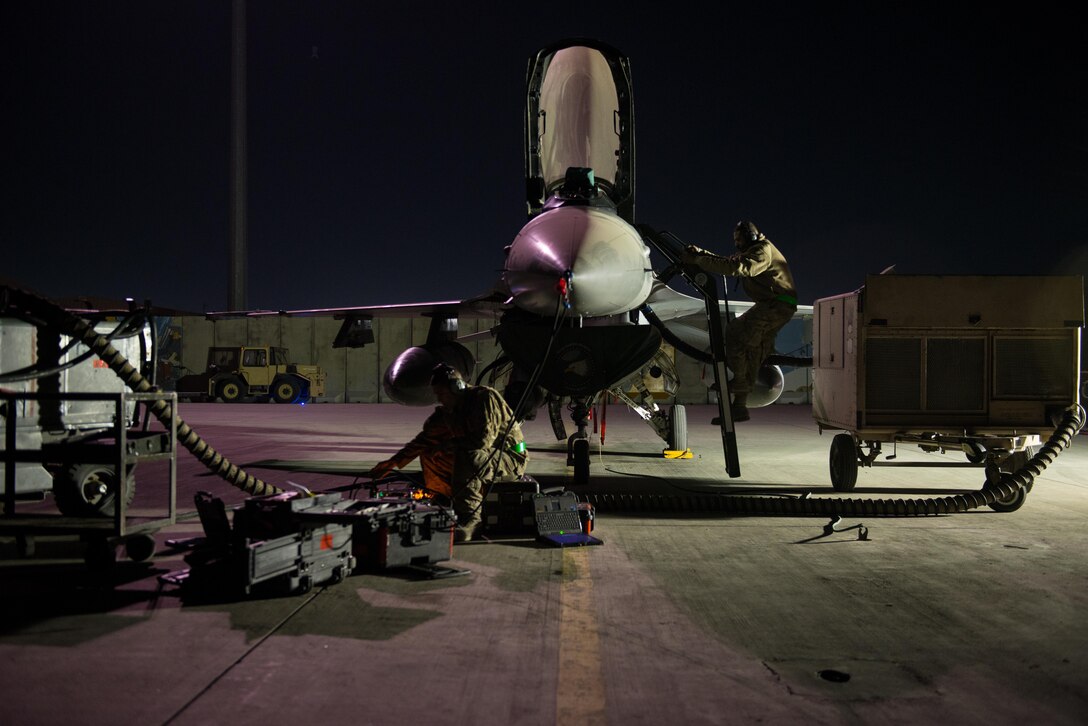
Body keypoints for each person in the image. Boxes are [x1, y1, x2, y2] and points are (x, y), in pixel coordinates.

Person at [367, 364, 528, 542]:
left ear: (456, 387)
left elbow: (483, 441)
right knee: (429, 453)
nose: (440, 399)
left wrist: (447, 445)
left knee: (468, 454)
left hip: (510, 458)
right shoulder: (449, 411)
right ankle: (444, 502)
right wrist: (393, 463)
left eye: (442, 393)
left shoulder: (484, 398)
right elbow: (423, 441)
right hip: (482, 457)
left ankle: (471, 520)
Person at [681, 220, 798, 422]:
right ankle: (739, 407)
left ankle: (739, 382)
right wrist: (701, 254)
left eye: (739, 240)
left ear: (750, 237)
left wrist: (697, 261)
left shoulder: (762, 250)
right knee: (753, 353)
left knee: (734, 332)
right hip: (776, 305)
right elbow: (728, 261)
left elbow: (739, 267)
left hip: (775, 304)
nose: (737, 245)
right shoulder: (754, 250)